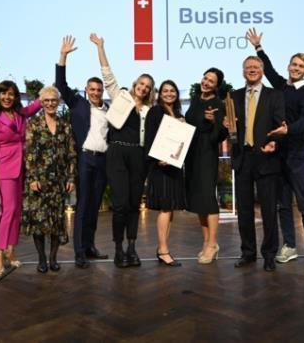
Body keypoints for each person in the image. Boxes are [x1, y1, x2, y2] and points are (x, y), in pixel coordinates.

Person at [246, 28, 304, 269]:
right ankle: (289, 246)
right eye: (294, 64)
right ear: (289, 66)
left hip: (298, 155)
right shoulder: (280, 86)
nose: (296, 68)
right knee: (283, 204)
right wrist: (258, 48)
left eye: (301, 66)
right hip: (279, 155)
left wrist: (289, 130)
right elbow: (268, 69)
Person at [90, 33, 155, 268]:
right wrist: (100, 46)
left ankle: (132, 248)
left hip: (138, 156)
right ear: (135, 84)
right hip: (117, 154)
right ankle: (118, 249)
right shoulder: (121, 97)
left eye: (147, 87)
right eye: (141, 84)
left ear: (149, 91)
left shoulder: (149, 111)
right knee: (119, 205)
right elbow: (107, 75)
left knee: (134, 204)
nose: (143, 88)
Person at [55, 35, 110, 269]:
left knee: (95, 205)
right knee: (83, 204)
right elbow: (60, 86)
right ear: (87, 90)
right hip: (84, 159)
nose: (96, 92)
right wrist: (63, 56)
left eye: (99, 89)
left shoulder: (109, 110)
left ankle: (89, 246)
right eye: (92, 89)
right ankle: (78, 252)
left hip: (103, 161)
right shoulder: (78, 103)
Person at [227, 56, 286, 272]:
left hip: (266, 157)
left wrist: (274, 143)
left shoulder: (275, 95)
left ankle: (269, 254)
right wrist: (227, 126)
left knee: (269, 210)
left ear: (261, 70)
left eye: (255, 67)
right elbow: (231, 129)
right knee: (244, 210)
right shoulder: (233, 97)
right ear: (243, 71)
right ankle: (248, 253)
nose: (251, 70)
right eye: (248, 67)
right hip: (243, 158)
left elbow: (281, 125)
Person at [0, 81, 41, 275]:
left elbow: (38, 103)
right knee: (7, 211)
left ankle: (10, 250)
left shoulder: (20, 114)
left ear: (16, 97)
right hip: (4, 168)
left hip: (21, 168)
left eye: (11, 94)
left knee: (16, 210)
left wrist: (62, 62)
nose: (7, 98)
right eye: (3, 94)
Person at [22, 86, 77, 273]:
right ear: (41, 102)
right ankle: (42, 259)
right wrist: (32, 178)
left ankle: (53, 258)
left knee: (56, 222)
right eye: (46, 100)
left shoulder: (65, 125)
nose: (50, 103)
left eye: (54, 100)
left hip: (59, 181)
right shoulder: (34, 124)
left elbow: (71, 153)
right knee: (38, 221)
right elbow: (29, 153)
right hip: (39, 181)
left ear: (59, 102)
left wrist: (71, 178)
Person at [185, 68, 228, 264]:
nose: (206, 82)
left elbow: (221, 135)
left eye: (211, 80)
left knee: (208, 199)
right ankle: (206, 242)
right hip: (191, 154)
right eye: (205, 78)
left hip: (207, 154)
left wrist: (213, 122)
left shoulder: (218, 105)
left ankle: (212, 244)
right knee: (198, 201)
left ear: (216, 85)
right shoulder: (195, 100)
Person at [145, 80, 187, 267]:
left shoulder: (179, 114)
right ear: (159, 94)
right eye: (165, 91)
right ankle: (163, 250)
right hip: (160, 166)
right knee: (165, 208)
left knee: (170, 209)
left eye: (172, 90)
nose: (169, 93)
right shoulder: (155, 112)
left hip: (174, 167)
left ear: (176, 94)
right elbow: (150, 138)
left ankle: (163, 247)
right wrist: (158, 158)